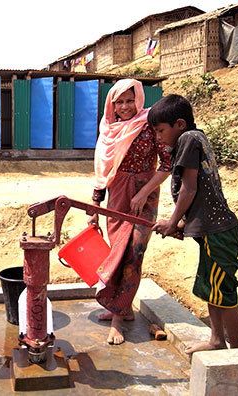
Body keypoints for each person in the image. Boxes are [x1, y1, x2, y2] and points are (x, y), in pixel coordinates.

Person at [150, 94, 238, 355]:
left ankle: (237, 351)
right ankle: (216, 340)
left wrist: (173, 221)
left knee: (224, 293)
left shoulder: (188, 139)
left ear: (179, 124)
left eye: (160, 130)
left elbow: (189, 189)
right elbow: (199, 191)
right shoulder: (196, 137)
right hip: (211, 230)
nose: (158, 137)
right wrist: (183, 225)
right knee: (211, 290)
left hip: (218, 232)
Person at [89, 79, 172, 345]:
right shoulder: (108, 130)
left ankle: (117, 319)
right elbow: (102, 173)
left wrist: (144, 191)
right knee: (117, 252)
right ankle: (121, 309)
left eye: (129, 100)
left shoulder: (150, 124)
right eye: (119, 101)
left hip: (144, 197)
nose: (125, 107)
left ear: (139, 99)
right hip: (118, 196)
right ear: (111, 104)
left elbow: (166, 165)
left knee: (133, 254)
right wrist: (95, 207)